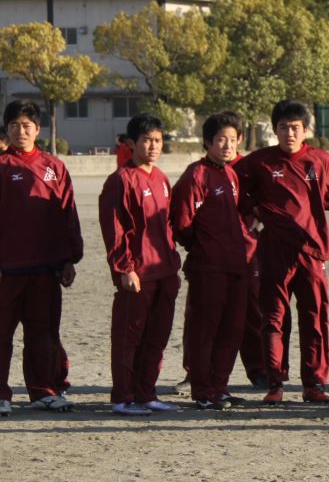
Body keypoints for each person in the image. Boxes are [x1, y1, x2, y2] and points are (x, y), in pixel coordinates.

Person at [236, 100, 329, 405]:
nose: (289, 133)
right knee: (274, 319)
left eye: (295, 127)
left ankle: (314, 383)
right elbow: (234, 185)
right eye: (283, 127)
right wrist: (252, 210)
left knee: (315, 318)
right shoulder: (260, 162)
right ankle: (276, 382)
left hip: (311, 252)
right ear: (275, 129)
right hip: (274, 251)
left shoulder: (321, 161)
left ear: (306, 129)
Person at [0, 100, 83, 416]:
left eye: (25, 125)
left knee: (44, 332)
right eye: (13, 126)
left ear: (37, 129)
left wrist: (69, 258)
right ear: (6, 129)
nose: (20, 131)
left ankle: (43, 391)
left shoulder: (54, 167)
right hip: (8, 268)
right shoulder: (2, 166)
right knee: (2, 334)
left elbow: (68, 215)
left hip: (46, 266)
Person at [170, 111, 254, 410]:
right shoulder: (196, 175)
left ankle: (220, 386)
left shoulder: (233, 174)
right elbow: (181, 224)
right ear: (207, 142)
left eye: (232, 140)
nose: (227, 146)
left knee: (231, 330)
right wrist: (205, 249)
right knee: (204, 329)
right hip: (209, 268)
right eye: (221, 140)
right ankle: (202, 390)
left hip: (237, 265)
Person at [99, 113, 183, 415]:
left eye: (158, 140)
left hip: (165, 271)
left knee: (157, 337)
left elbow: (168, 225)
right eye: (146, 140)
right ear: (131, 143)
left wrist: (173, 263)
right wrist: (124, 269)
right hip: (138, 274)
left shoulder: (161, 178)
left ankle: (147, 393)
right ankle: (122, 397)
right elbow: (115, 229)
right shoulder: (120, 180)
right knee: (128, 337)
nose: (153, 145)